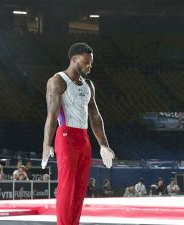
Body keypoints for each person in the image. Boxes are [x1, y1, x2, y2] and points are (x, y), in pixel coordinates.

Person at [41, 42, 115, 225]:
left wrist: (104, 145)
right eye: (86, 61)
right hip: (66, 136)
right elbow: (52, 115)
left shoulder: (88, 85)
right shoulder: (57, 80)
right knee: (67, 187)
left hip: (84, 139)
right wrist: (46, 143)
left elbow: (96, 117)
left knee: (80, 189)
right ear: (74, 59)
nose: (89, 65)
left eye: (91, 62)